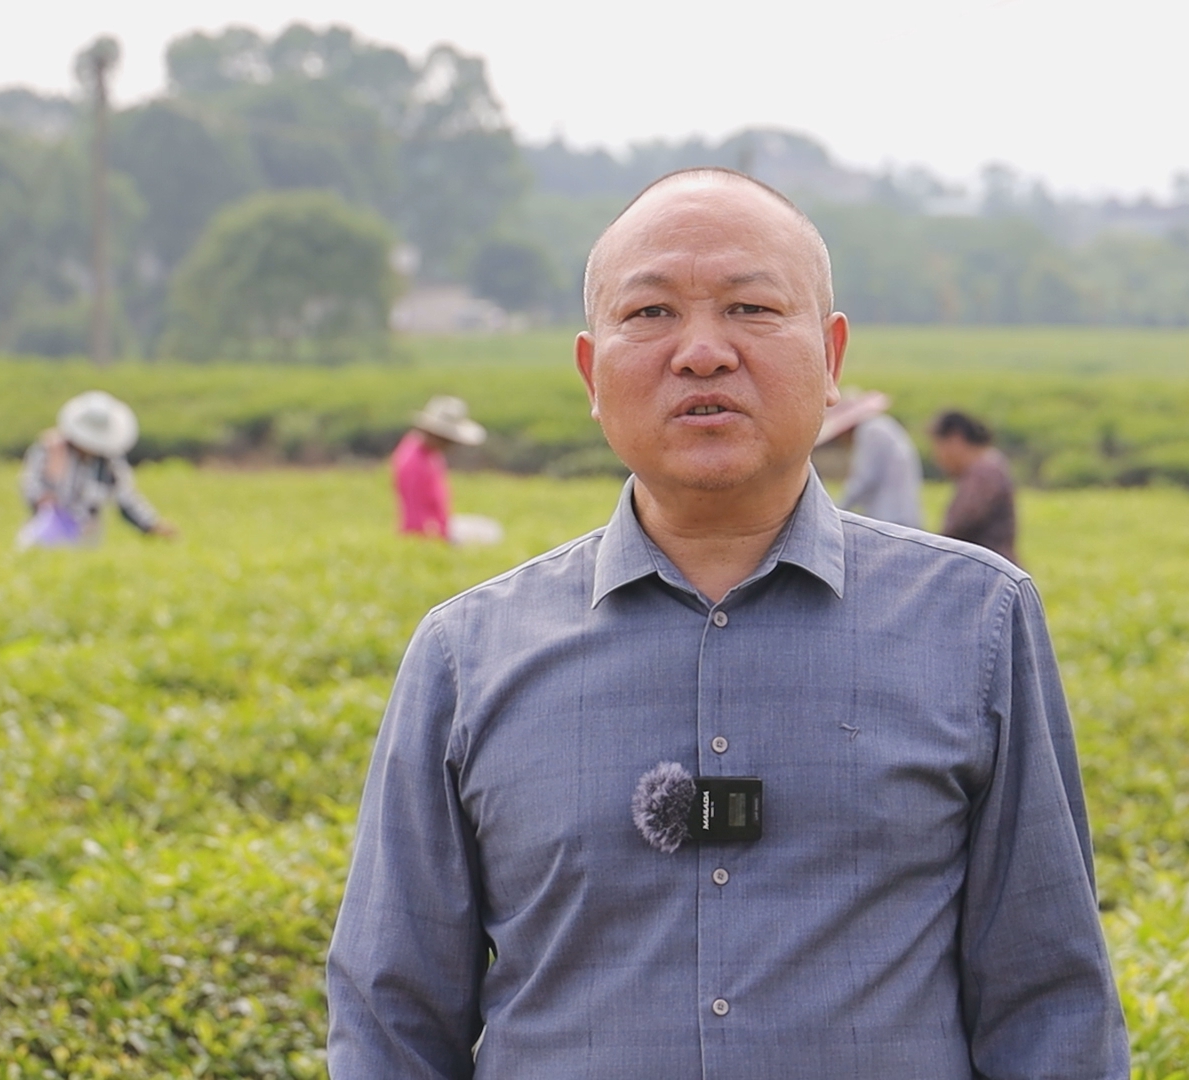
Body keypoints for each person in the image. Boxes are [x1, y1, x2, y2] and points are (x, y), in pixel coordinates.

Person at [328, 167, 1127, 1079]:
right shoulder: (466, 655)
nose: (702, 353)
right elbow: (391, 1019)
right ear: (592, 373)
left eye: (750, 308)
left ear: (831, 356)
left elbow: (1050, 1006)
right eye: (651, 313)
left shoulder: (976, 620)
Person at [17, 391, 175, 546]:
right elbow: (31, 483)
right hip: (46, 531)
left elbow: (125, 498)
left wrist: (151, 525)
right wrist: (43, 500)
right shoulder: (52, 448)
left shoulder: (109, 462)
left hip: (86, 536)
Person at [814, 388, 924, 527]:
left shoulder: (871, 431)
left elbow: (864, 479)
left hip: (891, 515)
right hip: (899, 512)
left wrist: (835, 510)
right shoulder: (881, 426)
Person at [391, 396, 487, 539]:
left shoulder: (427, 454)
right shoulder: (414, 462)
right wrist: (435, 534)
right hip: (429, 531)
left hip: (438, 526)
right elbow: (414, 510)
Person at [930, 409, 1019, 565]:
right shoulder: (987, 467)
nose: (938, 458)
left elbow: (961, 524)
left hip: (989, 568)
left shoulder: (984, 472)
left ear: (955, 439)